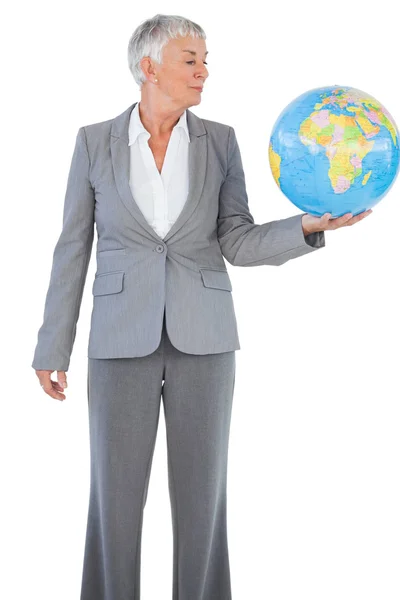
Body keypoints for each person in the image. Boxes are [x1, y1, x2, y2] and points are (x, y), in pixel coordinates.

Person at [31, 13, 372, 600]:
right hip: (118, 341)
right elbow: (72, 249)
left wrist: (308, 228)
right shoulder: (93, 142)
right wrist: (51, 346)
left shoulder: (220, 141)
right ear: (150, 67)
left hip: (206, 341)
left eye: (206, 60)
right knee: (113, 500)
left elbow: (236, 239)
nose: (204, 72)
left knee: (202, 502)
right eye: (192, 60)